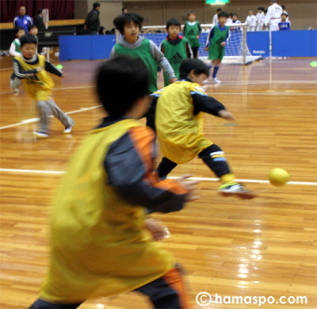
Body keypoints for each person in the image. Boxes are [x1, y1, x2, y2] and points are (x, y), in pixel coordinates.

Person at [28, 55, 198, 309]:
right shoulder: (135, 132)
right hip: (104, 238)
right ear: (144, 100)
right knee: (169, 280)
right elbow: (133, 184)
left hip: (66, 236)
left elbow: (101, 191)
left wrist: (143, 218)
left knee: (58, 301)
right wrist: (178, 191)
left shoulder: (92, 138)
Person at [149, 59, 255, 199]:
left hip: (165, 138)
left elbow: (147, 105)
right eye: (203, 79)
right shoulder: (190, 87)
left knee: (171, 156)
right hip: (185, 134)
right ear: (193, 74)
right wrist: (220, 110)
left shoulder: (163, 90)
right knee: (211, 150)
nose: (202, 84)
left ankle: (156, 180)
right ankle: (228, 183)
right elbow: (202, 99)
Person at [13, 34, 74, 138]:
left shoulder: (40, 58)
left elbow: (49, 67)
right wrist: (34, 71)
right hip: (32, 89)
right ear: (21, 48)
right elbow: (18, 74)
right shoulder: (17, 60)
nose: (30, 51)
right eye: (27, 48)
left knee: (41, 105)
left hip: (43, 86)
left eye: (32, 48)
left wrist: (60, 73)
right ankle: (68, 122)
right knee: (51, 107)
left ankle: (43, 130)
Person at [111, 13, 176, 93]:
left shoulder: (149, 44)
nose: (133, 29)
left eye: (136, 26)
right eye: (129, 27)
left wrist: (171, 75)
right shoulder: (117, 50)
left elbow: (161, 59)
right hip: (128, 93)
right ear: (122, 30)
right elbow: (111, 70)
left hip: (149, 91)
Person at [161, 19, 191, 86]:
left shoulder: (185, 41)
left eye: (177, 28)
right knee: (170, 92)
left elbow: (190, 55)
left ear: (179, 30)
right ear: (167, 29)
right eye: (172, 28)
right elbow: (159, 58)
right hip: (169, 72)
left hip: (182, 71)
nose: (175, 30)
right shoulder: (164, 43)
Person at [205, 11, 230, 84]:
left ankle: (214, 77)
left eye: (225, 18)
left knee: (219, 61)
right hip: (214, 46)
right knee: (213, 61)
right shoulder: (214, 27)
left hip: (221, 47)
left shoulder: (227, 28)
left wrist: (225, 42)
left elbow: (228, 37)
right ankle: (205, 76)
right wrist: (207, 45)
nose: (224, 19)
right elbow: (209, 36)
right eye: (222, 18)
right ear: (218, 18)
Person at [9, 27, 25, 93]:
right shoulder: (15, 42)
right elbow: (11, 51)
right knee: (18, 71)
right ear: (16, 34)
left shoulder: (25, 41)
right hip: (17, 60)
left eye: (23, 32)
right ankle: (13, 81)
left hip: (24, 59)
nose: (22, 33)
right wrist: (19, 55)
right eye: (20, 32)